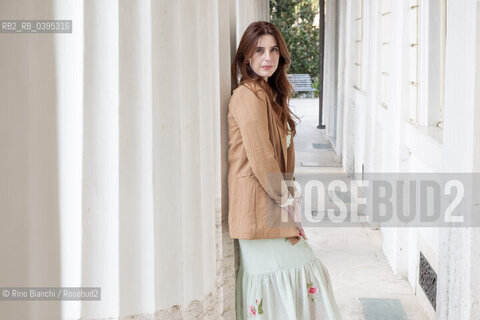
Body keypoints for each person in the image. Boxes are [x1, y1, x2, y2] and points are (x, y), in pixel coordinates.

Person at [227, 21, 343, 319]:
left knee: (296, 282)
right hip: (258, 208)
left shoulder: (268, 94)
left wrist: (292, 202)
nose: (268, 57)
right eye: (260, 50)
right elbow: (262, 157)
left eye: (274, 50)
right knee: (303, 274)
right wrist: (289, 203)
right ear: (247, 57)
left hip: (271, 205)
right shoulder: (247, 95)